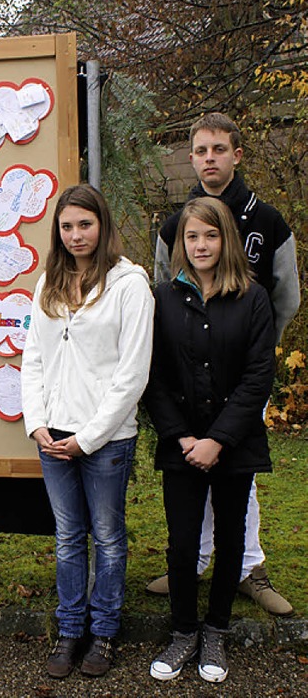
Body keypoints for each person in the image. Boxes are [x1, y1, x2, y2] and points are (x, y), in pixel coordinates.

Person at [149, 112, 300, 616]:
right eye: (200, 151)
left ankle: (248, 569)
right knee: (192, 472)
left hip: (244, 377)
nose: (209, 158)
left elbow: (287, 298)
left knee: (238, 473)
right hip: (188, 376)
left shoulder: (268, 220)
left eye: (218, 149)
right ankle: (190, 564)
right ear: (191, 158)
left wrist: (253, 355)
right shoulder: (175, 224)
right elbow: (161, 298)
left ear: (237, 154)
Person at [21, 184, 154, 679]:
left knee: (107, 537)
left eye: (86, 224)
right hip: (52, 434)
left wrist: (89, 438)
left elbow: (132, 374)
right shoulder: (48, 283)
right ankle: (70, 629)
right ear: (57, 231)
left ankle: (103, 633)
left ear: (103, 225)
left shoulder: (128, 285)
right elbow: (33, 358)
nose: (76, 235)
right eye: (67, 226)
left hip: (107, 438)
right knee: (68, 538)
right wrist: (36, 422)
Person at [145, 197, 276, 683]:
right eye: (192, 237)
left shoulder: (253, 298)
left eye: (210, 235)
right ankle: (183, 631)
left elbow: (259, 376)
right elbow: (153, 375)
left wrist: (217, 439)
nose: (201, 245)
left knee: (230, 540)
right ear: (181, 243)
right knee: (181, 545)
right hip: (181, 445)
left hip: (234, 445)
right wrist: (180, 436)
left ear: (227, 240)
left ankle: (216, 629)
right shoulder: (162, 298)